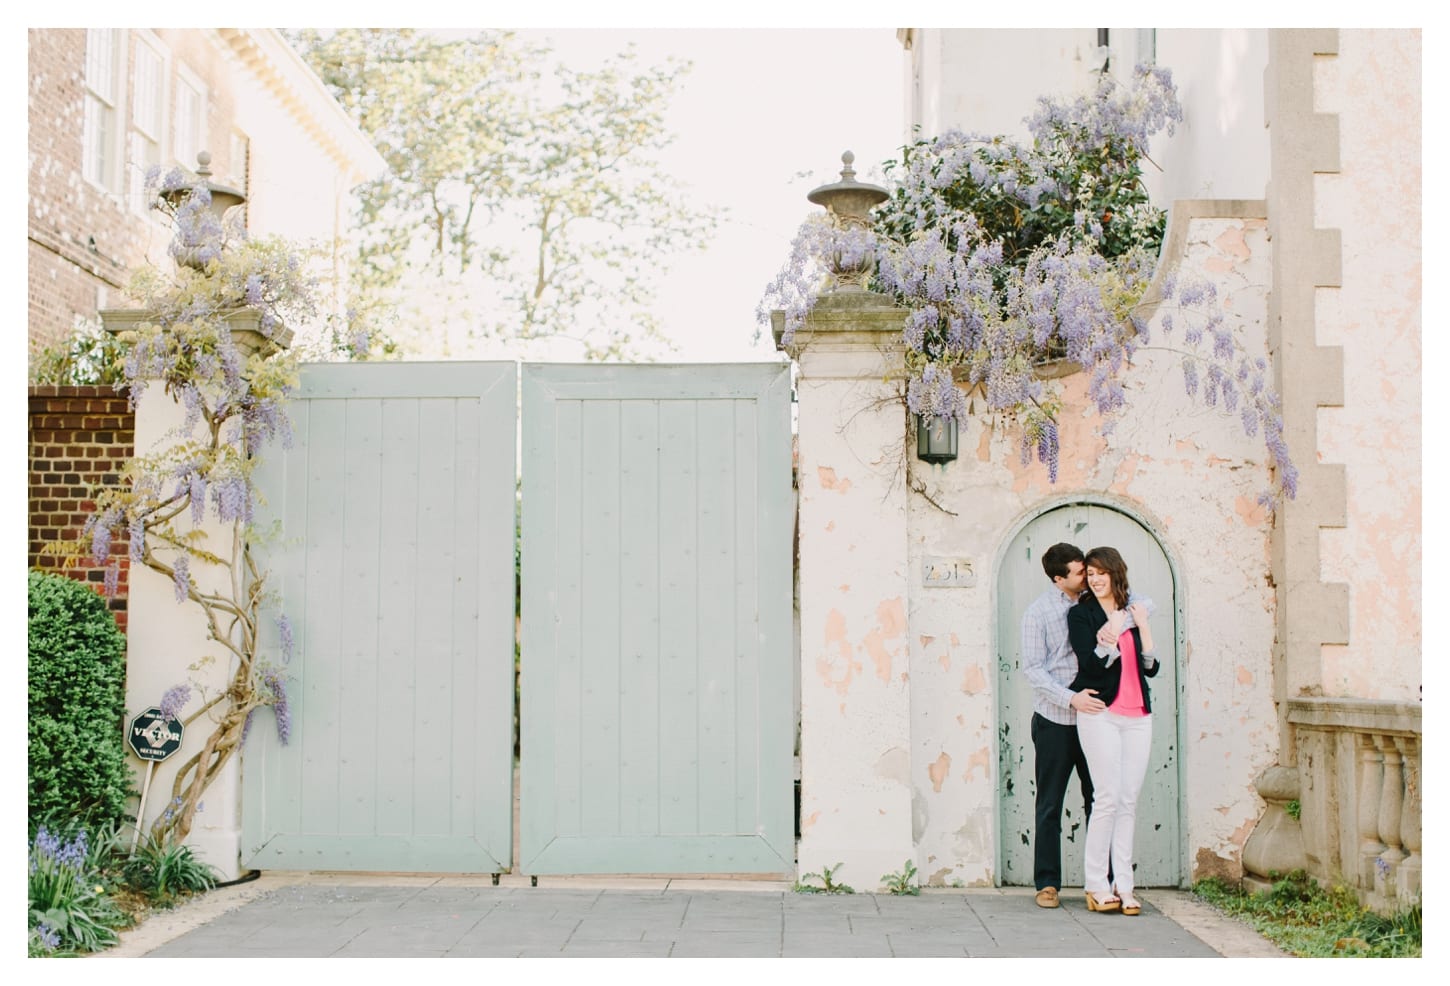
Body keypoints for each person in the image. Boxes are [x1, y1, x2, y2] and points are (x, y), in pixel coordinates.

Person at [1067, 546, 1160, 917]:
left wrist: (1135, 623)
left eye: (1102, 572)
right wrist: (1113, 634)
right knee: (1106, 798)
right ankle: (1096, 884)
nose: (1095, 579)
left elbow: (1150, 667)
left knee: (1128, 800)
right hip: (1101, 713)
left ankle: (1125, 885)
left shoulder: (1132, 610)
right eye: (1090, 574)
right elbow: (1089, 661)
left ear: (1116, 573)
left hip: (1138, 715)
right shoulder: (1081, 615)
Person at [1019, 542, 1106, 909]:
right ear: (1059, 579)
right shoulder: (1037, 614)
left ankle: (1100, 882)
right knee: (1050, 803)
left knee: (1098, 801)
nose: (1086, 576)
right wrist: (1070, 698)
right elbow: (1033, 670)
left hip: (1096, 718)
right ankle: (1047, 883)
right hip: (1056, 719)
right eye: (1079, 572)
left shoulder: (1097, 602)